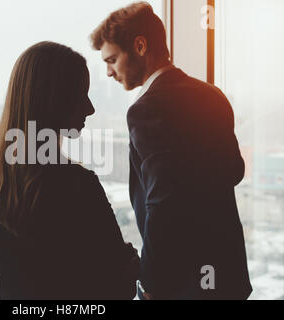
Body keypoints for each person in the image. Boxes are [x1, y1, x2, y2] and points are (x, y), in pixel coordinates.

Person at [90, 2, 252, 300]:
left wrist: (151, 283)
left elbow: (162, 202)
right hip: (227, 273)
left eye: (112, 59)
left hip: (182, 282)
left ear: (140, 46)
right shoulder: (212, 95)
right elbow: (235, 170)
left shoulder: (146, 109)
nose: (109, 72)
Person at [0, 41, 140, 300]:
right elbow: (119, 288)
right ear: (53, 100)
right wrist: (132, 261)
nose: (90, 108)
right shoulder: (78, 186)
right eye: (80, 95)